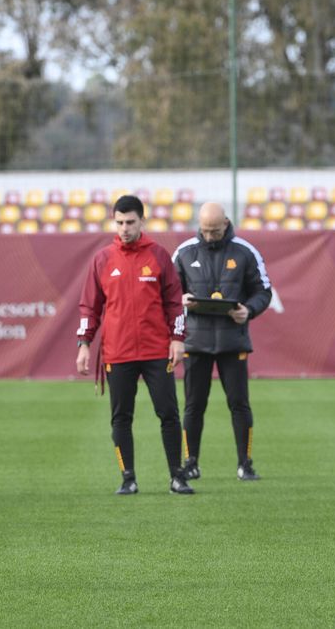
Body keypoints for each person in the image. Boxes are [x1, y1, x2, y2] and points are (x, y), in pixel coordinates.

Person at [76, 194, 193, 496]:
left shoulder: (159, 255)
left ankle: (177, 477)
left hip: (157, 350)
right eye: (119, 222)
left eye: (130, 222)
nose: (124, 228)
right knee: (121, 417)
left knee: (168, 413)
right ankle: (128, 478)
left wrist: (178, 339)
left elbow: (174, 303)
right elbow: (89, 307)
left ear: (142, 221)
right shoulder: (102, 259)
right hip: (118, 352)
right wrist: (84, 343)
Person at [172, 202, 272, 481]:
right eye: (205, 230)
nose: (209, 236)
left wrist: (248, 310)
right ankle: (190, 462)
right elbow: (167, 292)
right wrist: (180, 300)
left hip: (233, 341)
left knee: (239, 404)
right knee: (193, 406)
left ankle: (245, 464)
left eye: (215, 231)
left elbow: (263, 291)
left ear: (226, 223)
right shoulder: (184, 252)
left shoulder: (245, 251)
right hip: (195, 341)